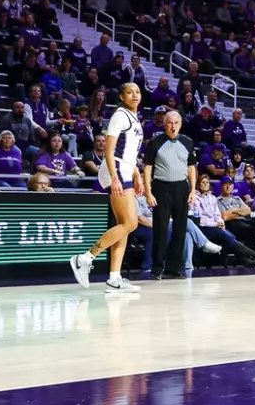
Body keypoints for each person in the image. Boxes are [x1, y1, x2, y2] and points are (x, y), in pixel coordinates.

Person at [69, 82, 149, 293]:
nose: (135, 95)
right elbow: (110, 150)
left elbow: (130, 153)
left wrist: (137, 174)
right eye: (130, 92)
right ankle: (84, 258)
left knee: (124, 224)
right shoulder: (120, 116)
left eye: (138, 92)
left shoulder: (134, 119)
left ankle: (114, 277)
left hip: (126, 168)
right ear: (121, 97)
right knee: (131, 223)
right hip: (116, 169)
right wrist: (115, 177)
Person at [144, 110, 197, 279]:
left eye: (176, 123)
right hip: (161, 187)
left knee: (180, 229)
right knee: (160, 228)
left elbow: (191, 168)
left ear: (180, 124)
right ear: (164, 124)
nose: (173, 126)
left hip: (181, 187)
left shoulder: (188, 142)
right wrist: (148, 191)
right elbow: (147, 168)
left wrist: (193, 190)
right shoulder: (155, 142)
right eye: (169, 123)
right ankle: (157, 267)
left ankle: (174, 268)